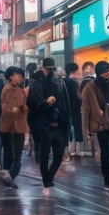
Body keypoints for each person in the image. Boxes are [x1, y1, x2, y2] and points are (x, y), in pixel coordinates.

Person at [81, 60, 109, 190]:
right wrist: (86, 134)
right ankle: (107, 178)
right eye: (107, 71)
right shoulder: (89, 88)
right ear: (100, 73)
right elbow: (85, 111)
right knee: (106, 152)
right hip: (100, 125)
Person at [27, 57, 71, 195]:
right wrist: (46, 102)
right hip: (44, 125)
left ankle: (48, 178)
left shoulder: (60, 82)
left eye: (52, 69)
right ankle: (47, 180)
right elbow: (33, 106)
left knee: (57, 156)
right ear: (43, 68)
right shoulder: (36, 85)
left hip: (58, 124)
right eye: (48, 69)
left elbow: (66, 104)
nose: (50, 71)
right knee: (45, 155)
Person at [0, 66, 28, 188]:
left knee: (16, 154)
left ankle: (8, 176)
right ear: (11, 76)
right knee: (10, 153)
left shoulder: (21, 90)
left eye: (21, 76)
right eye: (18, 75)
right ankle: (8, 175)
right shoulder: (7, 89)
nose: (20, 78)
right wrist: (15, 109)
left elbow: (23, 107)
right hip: (8, 127)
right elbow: (6, 108)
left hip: (19, 126)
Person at [64, 62, 84, 157]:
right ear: (74, 71)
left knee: (67, 129)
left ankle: (68, 150)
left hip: (66, 109)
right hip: (75, 108)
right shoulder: (74, 82)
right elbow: (78, 97)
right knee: (77, 128)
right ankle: (77, 150)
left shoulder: (63, 81)